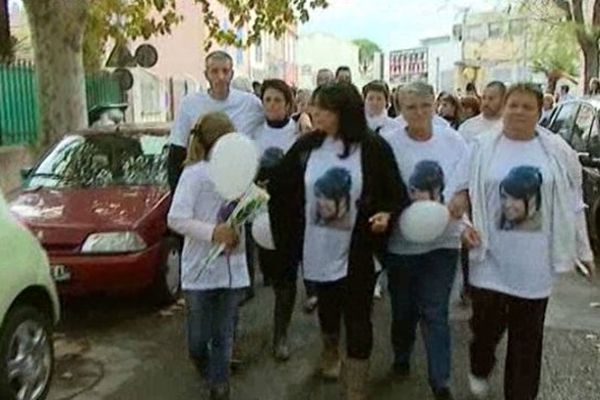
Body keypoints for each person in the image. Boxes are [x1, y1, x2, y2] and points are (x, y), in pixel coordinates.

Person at [454, 83, 595, 400]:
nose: (518, 111)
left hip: (535, 265)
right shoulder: (481, 147)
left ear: (539, 112)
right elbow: (460, 191)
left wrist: (583, 251)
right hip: (489, 259)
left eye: (527, 107)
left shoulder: (557, 152)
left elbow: (573, 205)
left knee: (527, 340)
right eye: (513, 105)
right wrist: (462, 225)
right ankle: (481, 363)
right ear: (504, 108)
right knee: (486, 328)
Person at [268, 82, 407, 399]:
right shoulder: (306, 146)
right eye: (314, 106)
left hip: (359, 251)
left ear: (344, 113)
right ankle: (330, 349)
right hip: (317, 249)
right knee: (328, 312)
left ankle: (356, 387)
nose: (314, 112)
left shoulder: (373, 148)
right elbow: (281, 186)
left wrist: (388, 214)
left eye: (323, 108)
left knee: (359, 320)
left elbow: (395, 194)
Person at [380, 81, 470, 400]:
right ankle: (401, 355)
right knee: (404, 310)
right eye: (410, 107)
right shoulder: (388, 144)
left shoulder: (454, 141)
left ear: (434, 104)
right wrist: (384, 215)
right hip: (402, 244)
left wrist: (460, 197)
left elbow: (466, 179)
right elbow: (379, 189)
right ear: (399, 109)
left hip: (443, 242)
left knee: (435, 310)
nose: (418, 113)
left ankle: (440, 380)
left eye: (424, 106)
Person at [167, 112, 247, 400]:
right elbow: (176, 218)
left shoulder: (239, 173)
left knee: (224, 334)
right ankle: (206, 367)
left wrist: (253, 205)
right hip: (200, 271)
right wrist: (212, 232)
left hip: (231, 269)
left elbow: (246, 212)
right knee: (198, 339)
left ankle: (220, 384)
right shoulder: (195, 174)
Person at [252, 79, 318, 360]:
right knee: (272, 276)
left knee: (286, 280)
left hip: (292, 212)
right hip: (261, 215)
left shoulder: (300, 132)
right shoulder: (253, 131)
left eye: (278, 100)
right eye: (267, 100)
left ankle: (281, 335)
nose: (272, 105)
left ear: (288, 104)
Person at [167, 50, 264, 192]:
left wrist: (303, 118)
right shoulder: (190, 104)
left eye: (225, 71)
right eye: (214, 71)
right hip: (202, 189)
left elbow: (277, 123)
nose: (220, 77)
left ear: (232, 74)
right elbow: (177, 152)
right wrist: (177, 192)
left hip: (240, 187)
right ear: (206, 74)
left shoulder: (251, 104)